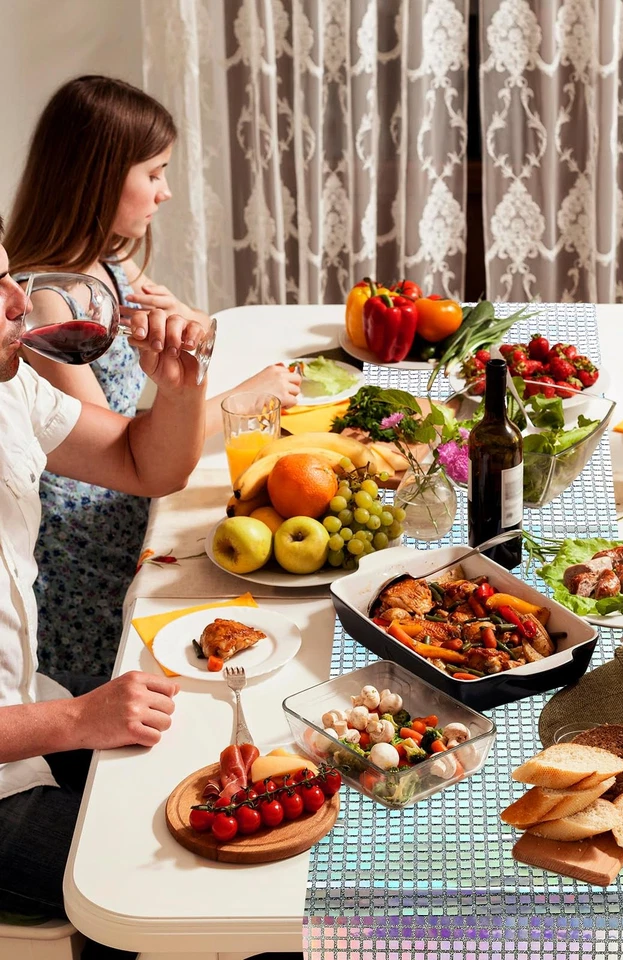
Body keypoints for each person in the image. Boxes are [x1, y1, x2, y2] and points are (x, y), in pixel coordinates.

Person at [4, 76, 301, 677]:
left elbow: (153, 425)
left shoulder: (106, 267)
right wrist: (238, 400)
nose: (165, 193)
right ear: (97, 175)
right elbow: (114, 457)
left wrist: (193, 349)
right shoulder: (47, 304)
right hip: (86, 545)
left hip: (124, 495)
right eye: (155, 172)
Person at [0, 227, 196, 954]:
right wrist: (80, 722)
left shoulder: (11, 385)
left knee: (212, 734)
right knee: (170, 879)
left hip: (27, 705)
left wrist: (180, 390)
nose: (22, 302)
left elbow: (148, 464)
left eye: (10, 276)